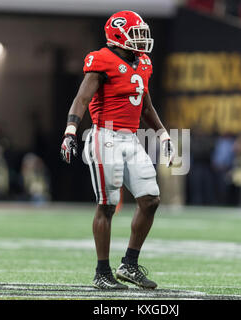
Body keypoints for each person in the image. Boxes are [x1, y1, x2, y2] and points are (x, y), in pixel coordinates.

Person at [60, 11, 175, 290]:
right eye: (135, 33)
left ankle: (130, 264)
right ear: (117, 36)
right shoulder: (102, 59)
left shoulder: (143, 62)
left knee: (150, 199)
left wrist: (162, 133)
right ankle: (102, 271)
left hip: (131, 138)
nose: (142, 39)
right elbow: (81, 98)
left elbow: (145, 105)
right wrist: (70, 130)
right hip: (105, 136)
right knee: (107, 205)